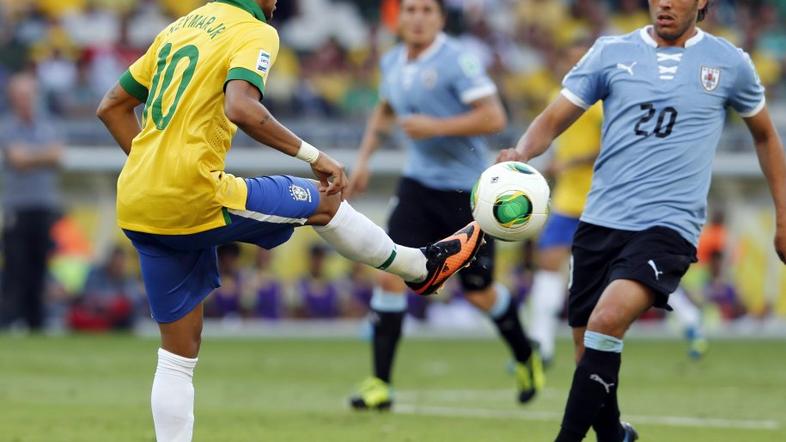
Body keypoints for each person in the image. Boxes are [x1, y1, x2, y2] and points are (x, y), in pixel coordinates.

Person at [95, 1, 483, 440]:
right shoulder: (254, 29)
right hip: (193, 195)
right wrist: (315, 156)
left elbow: (111, 107)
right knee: (325, 201)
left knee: (178, 356)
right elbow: (241, 107)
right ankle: (421, 268)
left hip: (138, 201)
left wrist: (156, 172)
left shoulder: (178, 28)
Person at [498, 0, 786, 440]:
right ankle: (614, 434)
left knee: (606, 321)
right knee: (586, 347)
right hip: (600, 221)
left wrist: (783, 215)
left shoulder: (730, 64)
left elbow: (765, 135)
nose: (665, 3)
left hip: (668, 225)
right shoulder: (610, 52)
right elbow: (555, 117)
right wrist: (520, 153)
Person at [345, 0, 542, 410]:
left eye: (426, 11)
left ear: (439, 18)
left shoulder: (458, 62)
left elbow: (493, 117)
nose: (417, 18)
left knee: (479, 293)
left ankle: (526, 355)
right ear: (400, 18)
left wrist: (436, 126)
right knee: (388, 273)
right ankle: (380, 383)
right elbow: (384, 112)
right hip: (417, 186)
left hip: (465, 195)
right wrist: (363, 161)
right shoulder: (393, 60)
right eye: (410, 10)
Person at [527, 40, 602, 368]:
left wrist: (568, 165)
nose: (574, 68)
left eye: (580, 61)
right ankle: (541, 345)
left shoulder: (601, 104)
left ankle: (687, 319)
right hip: (566, 201)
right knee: (547, 264)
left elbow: (612, 148)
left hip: (599, 202)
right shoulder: (557, 100)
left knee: (600, 278)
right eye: (569, 61)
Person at [0, 73, 63, 332]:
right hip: (17, 207)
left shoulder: (48, 125)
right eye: (21, 95)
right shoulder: (6, 126)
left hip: (43, 205)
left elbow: (57, 155)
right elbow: (17, 159)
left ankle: (36, 321)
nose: (26, 100)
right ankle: (10, 319)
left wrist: (30, 156)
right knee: (16, 266)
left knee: (40, 266)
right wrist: (41, 155)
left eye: (29, 94)